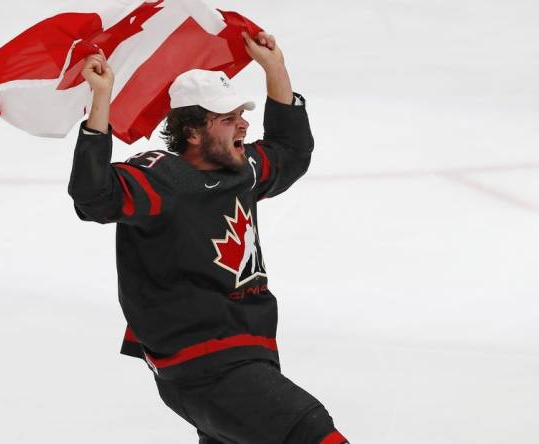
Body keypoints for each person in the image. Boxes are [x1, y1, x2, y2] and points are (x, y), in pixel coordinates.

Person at [68, 31, 349, 444]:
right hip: (206, 365)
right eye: (227, 118)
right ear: (193, 132)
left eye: (240, 113)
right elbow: (94, 197)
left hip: (244, 357)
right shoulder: (163, 179)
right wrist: (100, 101)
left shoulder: (243, 168)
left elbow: (292, 151)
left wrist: (275, 68)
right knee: (309, 431)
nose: (243, 123)